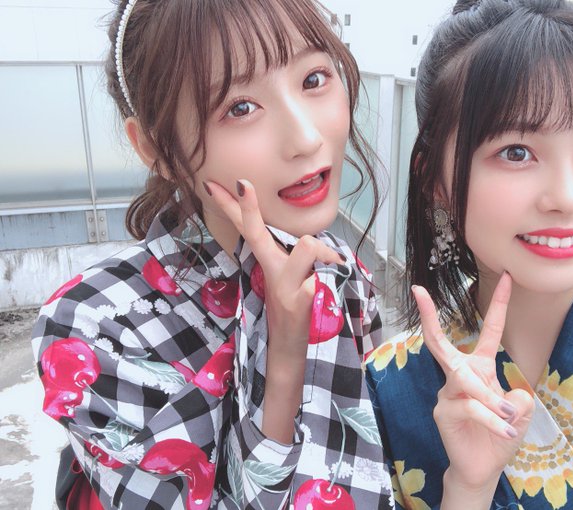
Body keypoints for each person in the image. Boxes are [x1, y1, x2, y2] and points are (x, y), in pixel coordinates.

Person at [31, 0, 394, 508]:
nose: (307, 138)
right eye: (240, 108)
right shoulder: (95, 329)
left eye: (313, 79)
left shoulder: (339, 270)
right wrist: (283, 359)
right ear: (155, 147)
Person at [365, 0, 573, 509]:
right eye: (516, 152)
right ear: (434, 180)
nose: (568, 197)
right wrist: (467, 490)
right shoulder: (385, 388)